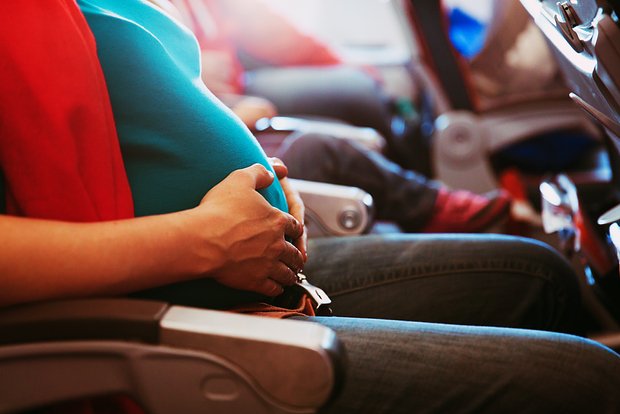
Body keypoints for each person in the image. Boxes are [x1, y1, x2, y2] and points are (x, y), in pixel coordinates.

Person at [2, 1, 620, 413]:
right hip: (159, 310)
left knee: (538, 275)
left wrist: (260, 178)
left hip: (244, 267)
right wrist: (203, 239)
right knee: (589, 383)